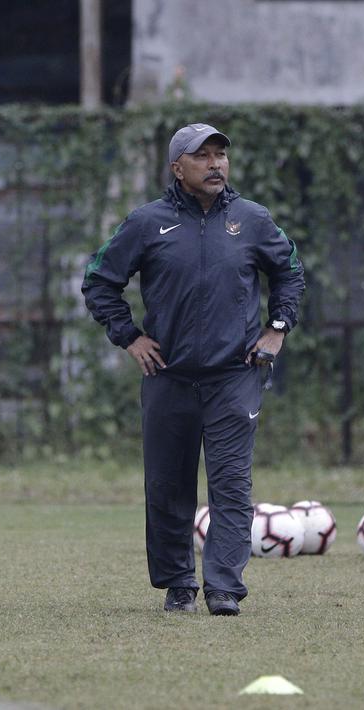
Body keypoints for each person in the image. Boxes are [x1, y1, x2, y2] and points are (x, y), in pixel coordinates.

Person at [82, 123, 305, 615]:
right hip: (168, 376)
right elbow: (99, 282)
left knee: (231, 482)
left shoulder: (253, 220)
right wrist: (130, 336)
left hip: (235, 374)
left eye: (220, 154)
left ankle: (224, 587)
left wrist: (279, 326)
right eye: (202, 156)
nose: (215, 164)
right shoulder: (146, 222)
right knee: (167, 484)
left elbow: (289, 271)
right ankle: (178, 583)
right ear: (177, 168)